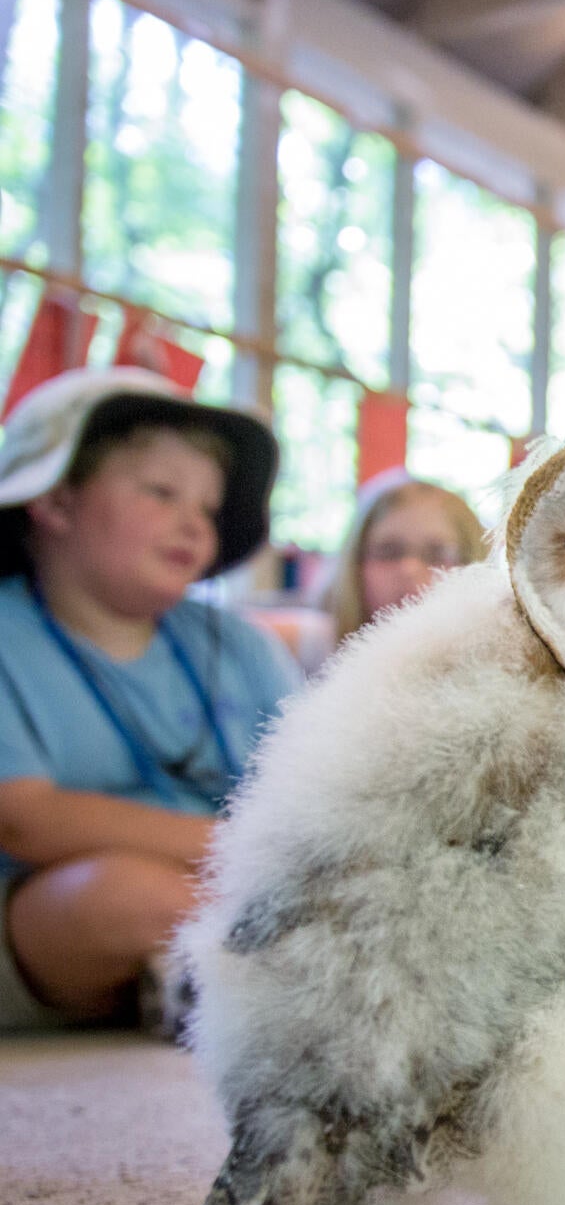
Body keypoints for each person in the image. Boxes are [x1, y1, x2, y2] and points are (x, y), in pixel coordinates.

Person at [0, 367, 295, 1032]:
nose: (191, 524)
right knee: (121, 896)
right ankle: (257, 983)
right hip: (46, 913)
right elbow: (24, 819)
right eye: (162, 492)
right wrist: (235, 851)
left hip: (250, 889)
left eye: (208, 510)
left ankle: (214, 983)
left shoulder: (243, 648)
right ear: (53, 501)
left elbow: (309, 795)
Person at [311, 470, 487, 667]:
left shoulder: (494, 662)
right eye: (388, 552)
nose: (408, 569)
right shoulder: (312, 645)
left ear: (473, 564)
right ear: (356, 563)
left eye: (437, 554)